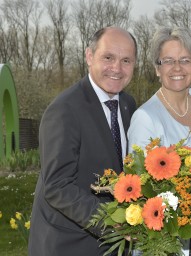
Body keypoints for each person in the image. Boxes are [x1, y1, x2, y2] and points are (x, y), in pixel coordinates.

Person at [28, 27, 137, 256]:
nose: (117, 68)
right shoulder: (64, 110)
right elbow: (57, 186)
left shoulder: (128, 105)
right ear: (89, 56)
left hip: (112, 246)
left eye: (126, 60)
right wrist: (112, 222)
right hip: (68, 244)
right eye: (108, 57)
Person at [127, 27, 191, 256]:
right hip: (169, 243)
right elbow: (142, 192)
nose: (177, 68)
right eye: (168, 61)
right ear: (157, 68)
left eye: (185, 60)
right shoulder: (145, 118)